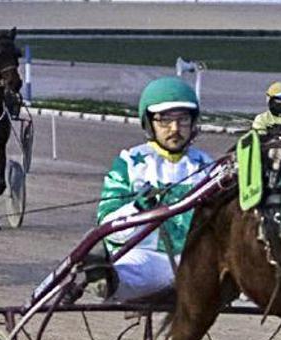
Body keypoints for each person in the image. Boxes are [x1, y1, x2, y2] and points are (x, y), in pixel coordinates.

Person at [91, 77, 214, 301]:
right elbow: (107, 223)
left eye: (183, 120)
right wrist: (138, 206)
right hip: (146, 257)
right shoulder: (130, 163)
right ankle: (106, 279)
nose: (175, 129)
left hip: (196, 259)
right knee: (131, 269)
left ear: (193, 122)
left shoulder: (207, 167)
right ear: (149, 123)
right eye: (165, 120)